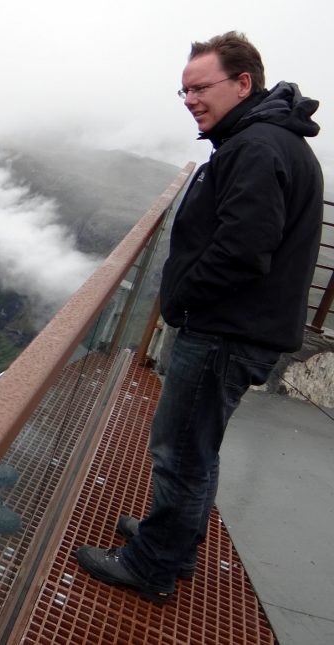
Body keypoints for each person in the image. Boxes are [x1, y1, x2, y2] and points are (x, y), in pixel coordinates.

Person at [75, 31, 324, 602]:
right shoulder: (265, 141)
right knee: (194, 446)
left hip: (225, 333)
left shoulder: (257, 148)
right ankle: (172, 542)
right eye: (183, 90)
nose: (189, 99)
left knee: (181, 452)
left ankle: (152, 566)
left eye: (200, 87)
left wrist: (182, 300)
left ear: (243, 83)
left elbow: (243, 250)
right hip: (239, 330)